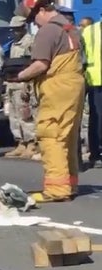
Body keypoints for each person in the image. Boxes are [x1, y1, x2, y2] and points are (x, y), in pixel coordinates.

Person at [11, 0, 85, 202]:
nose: (33, 23)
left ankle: (57, 190)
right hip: (74, 83)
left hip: (57, 85)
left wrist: (19, 76)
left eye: (33, 17)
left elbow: (41, 65)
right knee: (66, 136)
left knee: (50, 134)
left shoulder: (48, 31)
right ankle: (69, 184)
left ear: (42, 9)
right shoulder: (70, 27)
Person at [4, 16, 37, 159]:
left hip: (23, 83)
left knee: (25, 114)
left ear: (24, 27)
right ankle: (20, 142)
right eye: (13, 29)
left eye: (18, 29)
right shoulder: (13, 44)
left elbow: (31, 65)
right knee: (14, 115)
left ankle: (31, 143)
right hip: (12, 83)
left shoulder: (30, 42)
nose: (15, 32)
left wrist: (27, 86)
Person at [82, 15, 102, 168]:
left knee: (96, 118)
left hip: (94, 78)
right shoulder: (89, 31)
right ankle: (96, 153)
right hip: (95, 80)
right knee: (97, 118)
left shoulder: (89, 31)